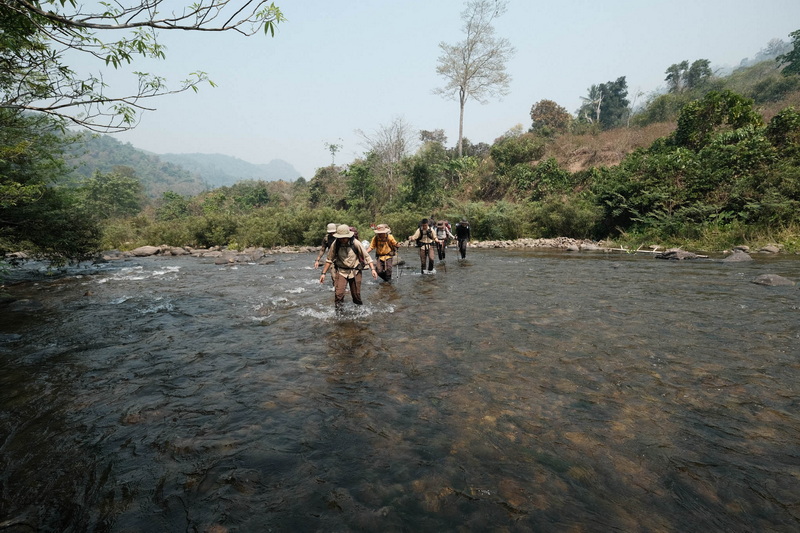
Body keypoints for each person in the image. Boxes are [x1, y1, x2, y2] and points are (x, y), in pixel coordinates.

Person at [320, 224, 378, 310]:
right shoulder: (335, 244)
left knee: (356, 296)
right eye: (340, 237)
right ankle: (339, 313)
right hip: (341, 271)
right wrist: (323, 273)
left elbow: (367, 257)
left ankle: (359, 311)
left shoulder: (356, 243)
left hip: (355, 271)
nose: (342, 239)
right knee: (338, 295)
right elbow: (329, 259)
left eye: (344, 237)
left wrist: (373, 269)